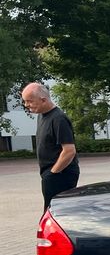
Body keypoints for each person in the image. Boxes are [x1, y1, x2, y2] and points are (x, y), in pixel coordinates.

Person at [22, 82, 80, 211]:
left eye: (29, 101)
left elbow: (69, 151)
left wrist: (53, 173)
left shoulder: (58, 119)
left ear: (43, 100)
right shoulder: (42, 116)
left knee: (56, 213)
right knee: (52, 212)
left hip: (61, 175)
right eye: (25, 101)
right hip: (50, 174)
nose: (26, 105)